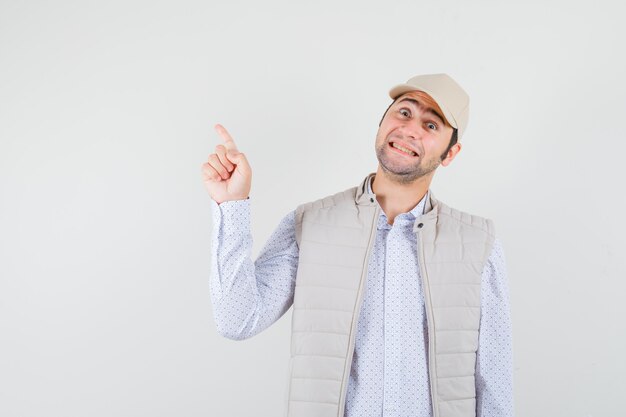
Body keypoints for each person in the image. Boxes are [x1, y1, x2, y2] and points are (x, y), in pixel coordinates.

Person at [201, 73, 514, 417]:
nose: (410, 129)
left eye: (431, 125)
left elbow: (494, 385)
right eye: (404, 112)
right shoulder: (311, 223)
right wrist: (232, 205)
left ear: (450, 153)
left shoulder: (477, 244)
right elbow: (238, 319)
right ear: (382, 123)